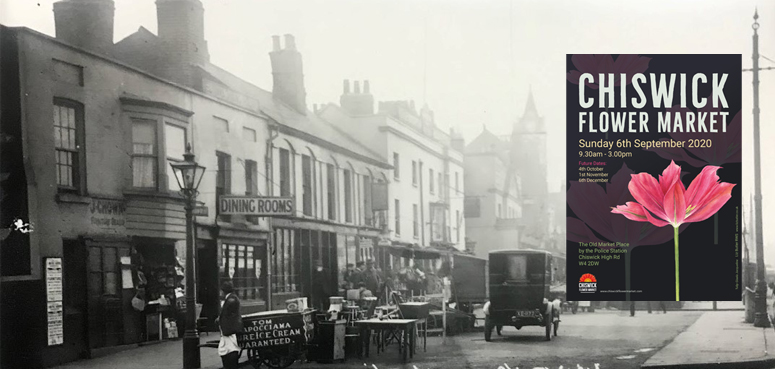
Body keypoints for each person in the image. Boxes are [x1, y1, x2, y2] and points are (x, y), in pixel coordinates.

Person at [217, 281, 242, 369]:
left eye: (221, 291)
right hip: (228, 330)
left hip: (230, 329)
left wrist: (221, 318)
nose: (220, 293)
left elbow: (227, 313)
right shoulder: (232, 298)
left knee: (231, 349)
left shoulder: (231, 299)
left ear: (224, 291)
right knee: (226, 349)